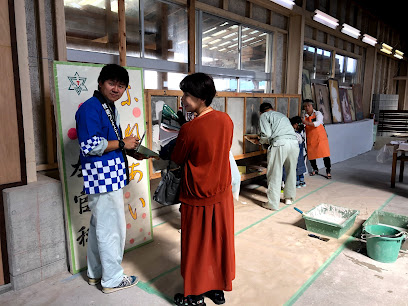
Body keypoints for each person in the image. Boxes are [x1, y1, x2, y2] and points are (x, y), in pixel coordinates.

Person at [75, 64, 147, 294]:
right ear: (100, 83)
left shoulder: (107, 106)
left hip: (110, 176)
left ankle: (96, 274)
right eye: (111, 83)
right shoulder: (90, 108)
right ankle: (113, 279)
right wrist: (123, 144)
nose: (116, 88)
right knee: (111, 229)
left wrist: (128, 149)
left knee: (101, 227)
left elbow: (110, 143)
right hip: (102, 178)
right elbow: (89, 145)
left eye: (121, 85)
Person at [171, 73, 235, 306]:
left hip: (195, 194)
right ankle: (217, 290)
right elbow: (222, 149)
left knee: (196, 246)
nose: (183, 99)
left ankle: (194, 295)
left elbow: (178, 158)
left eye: (186, 95)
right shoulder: (226, 120)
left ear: (199, 97)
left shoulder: (190, 129)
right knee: (219, 242)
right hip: (221, 193)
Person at [258, 102, 299, 209]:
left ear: (260, 112)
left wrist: (260, 141)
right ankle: (289, 198)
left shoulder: (264, 116)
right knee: (291, 171)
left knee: (275, 173)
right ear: (273, 108)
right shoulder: (281, 115)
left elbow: (266, 134)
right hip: (294, 143)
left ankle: (273, 204)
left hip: (280, 144)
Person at [301, 99, 332, 179]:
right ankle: (315, 169)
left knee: (325, 154)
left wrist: (306, 122)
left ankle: (328, 170)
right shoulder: (304, 116)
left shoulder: (318, 113)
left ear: (312, 106)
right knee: (311, 154)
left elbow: (317, 123)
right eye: (305, 106)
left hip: (320, 137)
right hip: (310, 137)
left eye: (308, 106)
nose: (307, 108)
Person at [290, 116, 307, 188]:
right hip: (302, 152)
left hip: (297, 151)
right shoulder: (303, 131)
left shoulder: (295, 133)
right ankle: (302, 181)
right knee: (301, 165)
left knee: (295, 166)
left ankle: (296, 182)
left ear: (296, 124)